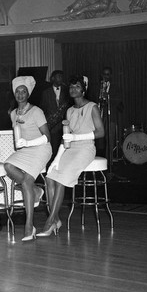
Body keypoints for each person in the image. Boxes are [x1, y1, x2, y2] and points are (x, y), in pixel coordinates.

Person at [37, 75, 104, 237]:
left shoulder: (92, 107)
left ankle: (50, 221)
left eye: (77, 87)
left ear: (84, 89)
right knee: (50, 177)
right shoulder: (69, 110)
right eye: (71, 87)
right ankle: (56, 220)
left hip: (86, 148)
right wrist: (57, 159)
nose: (73, 89)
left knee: (60, 179)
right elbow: (65, 138)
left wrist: (76, 138)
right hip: (70, 148)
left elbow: (101, 132)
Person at [4, 76, 52, 241]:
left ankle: (29, 225)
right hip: (26, 150)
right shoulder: (13, 114)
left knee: (25, 181)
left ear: (28, 93)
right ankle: (36, 190)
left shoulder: (37, 111)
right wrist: (22, 144)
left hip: (41, 148)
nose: (20, 94)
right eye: (17, 91)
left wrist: (29, 142)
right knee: (8, 166)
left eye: (23, 91)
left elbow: (47, 137)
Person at [39, 70, 70, 160]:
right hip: (52, 125)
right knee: (53, 147)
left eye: (61, 76)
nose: (61, 78)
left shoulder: (67, 90)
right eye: (58, 76)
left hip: (64, 123)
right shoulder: (45, 92)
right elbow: (42, 108)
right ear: (53, 78)